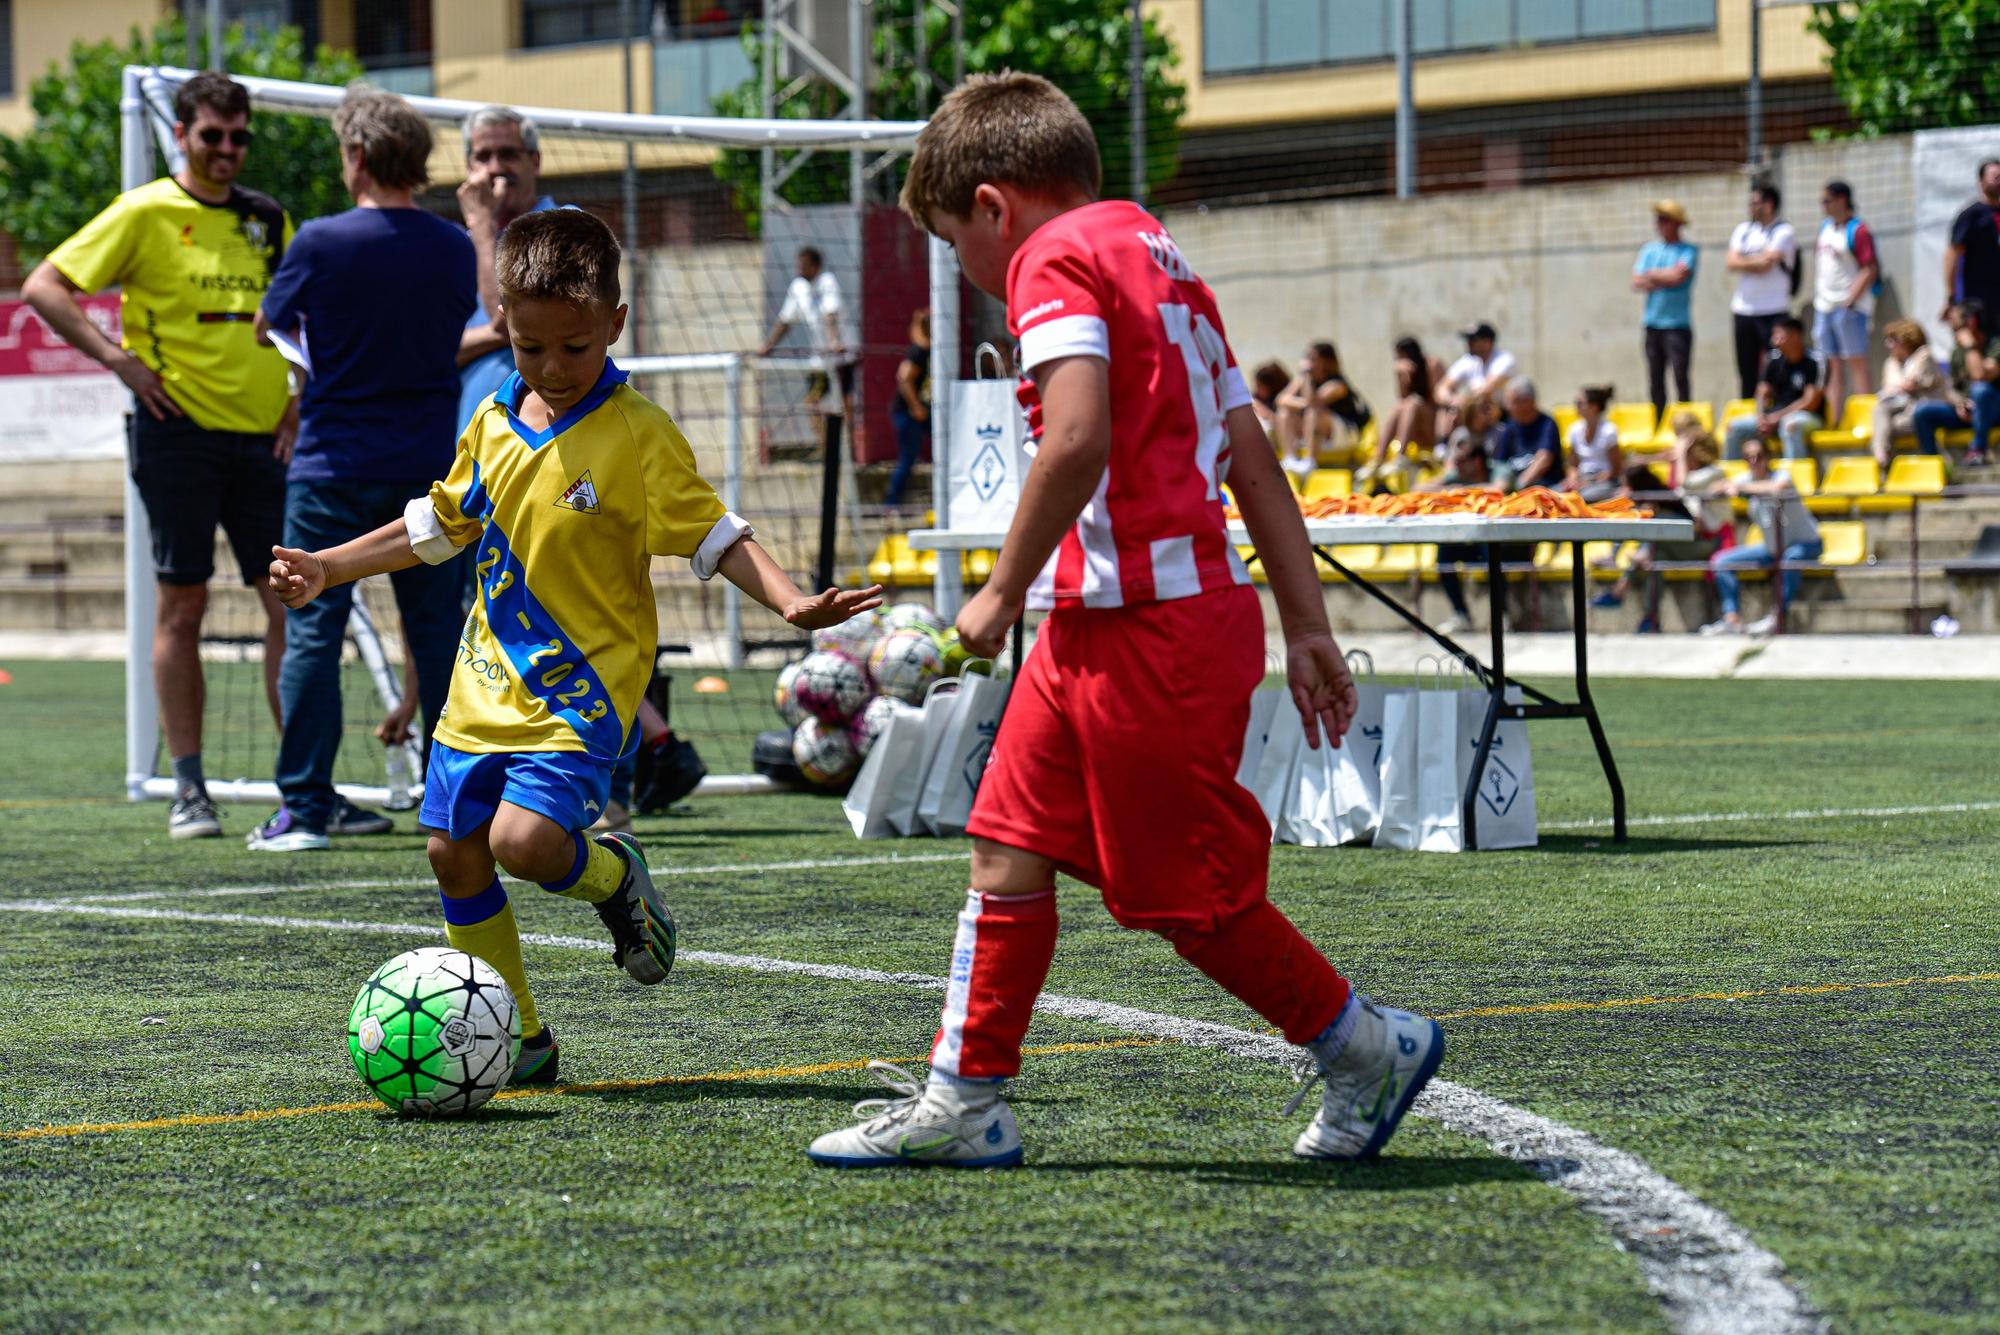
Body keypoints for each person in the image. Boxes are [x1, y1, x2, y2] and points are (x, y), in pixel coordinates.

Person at [805, 72, 1442, 1169]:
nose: (966, 272)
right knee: (1006, 845)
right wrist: (1304, 624)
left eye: (957, 244)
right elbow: (1247, 455)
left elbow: (1075, 437)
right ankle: (966, 1103)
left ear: (995, 207)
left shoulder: (1052, 258)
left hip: (1149, 629)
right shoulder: (1158, 254)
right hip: (1107, 624)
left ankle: (1362, 1046)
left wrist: (997, 590)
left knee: (1185, 898)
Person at [267, 208, 882, 1086]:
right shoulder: (489, 420)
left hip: (580, 693)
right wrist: (329, 566)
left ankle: (616, 879)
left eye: (575, 348)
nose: (551, 368)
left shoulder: (637, 434)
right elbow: (434, 527)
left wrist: (788, 600)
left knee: (523, 843)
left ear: (615, 327)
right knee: (451, 850)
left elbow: (715, 530)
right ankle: (519, 1036)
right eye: (530, 349)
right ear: (506, 333)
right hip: (480, 686)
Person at [22, 71, 294, 841]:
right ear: (182, 135)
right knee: (184, 604)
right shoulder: (144, 210)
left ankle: (299, 787)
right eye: (213, 136)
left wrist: (298, 404)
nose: (227, 151)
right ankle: (189, 787)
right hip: (176, 435)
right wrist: (120, 360)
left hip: (265, 437)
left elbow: (299, 317)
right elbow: (45, 286)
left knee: (288, 604)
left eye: (239, 137)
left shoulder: (269, 218)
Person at [242, 91, 477, 852]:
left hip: (332, 464)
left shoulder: (318, 241)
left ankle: (306, 808)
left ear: (359, 158)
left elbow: (267, 324)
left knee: (312, 629)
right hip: (426, 466)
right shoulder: (451, 246)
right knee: (439, 634)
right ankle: (459, 803)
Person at [456, 106, 561, 437]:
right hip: (471, 447)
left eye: (508, 154)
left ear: (536, 161)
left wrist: (482, 225)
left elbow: (509, 318)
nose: (496, 169)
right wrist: (497, 334)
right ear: (468, 166)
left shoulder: (563, 227)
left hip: (541, 439)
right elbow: (426, 353)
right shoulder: (459, 245)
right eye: (483, 156)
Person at [1701, 437, 1822, 637]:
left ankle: (1777, 617)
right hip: (1772, 548)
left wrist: (1740, 489)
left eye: (1759, 456)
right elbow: (1717, 487)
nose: (1754, 461)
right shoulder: (1744, 479)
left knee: (1790, 560)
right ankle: (1732, 619)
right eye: (1749, 457)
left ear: (1769, 457)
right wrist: (1724, 487)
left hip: (1806, 544)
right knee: (1721, 562)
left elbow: (1775, 488)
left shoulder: (1782, 476)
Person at [755, 245, 857, 454]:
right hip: (820, 359)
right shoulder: (797, 287)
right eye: (798, 265)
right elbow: (786, 320)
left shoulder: (827, 281)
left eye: (804, 265)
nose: (799, 269)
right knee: (812, 402)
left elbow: (831, 315)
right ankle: (826, 447)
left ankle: (849, 447)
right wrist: (768, 346)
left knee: (846, 402)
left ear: (816, 266)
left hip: (842, 356)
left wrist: (834, 342)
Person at [1813, 180, 1878, 426]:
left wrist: (1850, 299)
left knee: (1856, 362)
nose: (1824, 206)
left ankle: (1867, 419)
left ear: (1842, 200)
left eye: (1827, 200)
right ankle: (1835, 420)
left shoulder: (1858, 230)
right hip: (1824, 306)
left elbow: (1870, 268)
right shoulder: (1825, 228)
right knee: (1831, 366)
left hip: (1849, 307)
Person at [1726, 182, 1799, 400]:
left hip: (1773, 311)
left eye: (1755, 202)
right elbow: (1731, 262)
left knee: (1775, 367)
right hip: (1744, 310)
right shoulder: (1744, 230)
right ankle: (1749, 409)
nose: (1751, 207)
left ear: (1769, 204)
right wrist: (1758, 260)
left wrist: (1746, 261)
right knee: (1746, 369)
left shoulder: (1784, 231)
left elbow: (1766, 265)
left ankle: (1775, 409)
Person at [1722, 316, 1826, 461]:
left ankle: (1791, 478)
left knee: (1791, 426)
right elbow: (1762, 392)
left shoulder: (1814, 361)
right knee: (1733, 427)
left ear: (1795, 335)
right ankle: (1731, 479)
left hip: (1807, 417)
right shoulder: (1772, 359)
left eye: (1779, 335)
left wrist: (1778, 417)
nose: (1774, 340)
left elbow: (1810, 402)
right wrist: (1761, 417)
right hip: (1773, 417)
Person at [1912, 299, 2000, 467]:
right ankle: (1935, 466)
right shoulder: (1957, 351)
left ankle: (1978, 450)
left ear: (1971, 322)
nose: (1951, 328)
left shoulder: (1995, 345)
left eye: (1955, 323)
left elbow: (1980, 375)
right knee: (1922, 412)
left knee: (1981, 390)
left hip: (1993, 412)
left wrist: (1970, 347)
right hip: (1967, 413)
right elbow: (1950, 388)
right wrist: (1960, 402)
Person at [1632, 199, 1698, 422]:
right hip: (1653, 324)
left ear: (1676, 223)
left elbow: (1680, 276)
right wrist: (1665, 276)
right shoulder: (1649, 250)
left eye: (1664, 220)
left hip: (1677, 325)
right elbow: (1637, 280)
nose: (1658, 224)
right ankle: (1658, 422)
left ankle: (1685, 423)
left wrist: (1653, 275)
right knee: (1655, 379)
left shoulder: (1688, 250)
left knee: (1680, 376)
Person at [1276, 341, 1372, 479]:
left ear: (1326, 361)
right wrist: (1301, 401)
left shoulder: (1337, 383)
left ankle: (1310, 461)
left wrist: (1307, 377)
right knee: (1284, 412)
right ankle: (1290, 458)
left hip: (1344, 433)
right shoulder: (1303, 379)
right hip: (1315, 430)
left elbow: (1313, 403)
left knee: (1314, 412)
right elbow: (1281, 399)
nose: (1308, 362)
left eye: (1313, 358)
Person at [1358, 335, 1436, 489]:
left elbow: (1434, 397)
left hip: (1431, 423)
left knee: (1412, 404)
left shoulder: (1432, 365)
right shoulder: (1402, 368)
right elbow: (1403, 397)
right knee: (1400, 406)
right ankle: (1378, 458)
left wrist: (1418, 376)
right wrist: (1402, 377)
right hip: (1415, 423)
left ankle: (1401, 456)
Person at [1872, 318, 1948, 469]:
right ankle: (1882, 457)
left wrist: (1898, 385)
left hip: (1923, 408)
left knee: (1885, 424)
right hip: (1900, 408)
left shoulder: (1924, 355)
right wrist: (1900, 385)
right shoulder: (1892, 362)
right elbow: (1891, 387)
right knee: (1882, 414)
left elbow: (1909, 385)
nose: (1888, 345)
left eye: (1892, 340)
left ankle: (1882, 460)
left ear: (1906, 340)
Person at [884, 308, 932, 506]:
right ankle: (892, 504)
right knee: (907, 458)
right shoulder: (918, 351)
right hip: (908, 414)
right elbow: (904, 378)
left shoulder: (928, 349)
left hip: (921, 412)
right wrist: (915, 406)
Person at [1943, 160, 2000, 320]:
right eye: (1995, 177)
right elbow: (1952, 254)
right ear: (1981, 183)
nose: (1999, 182)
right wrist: (1951, 295)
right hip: (1976, 300)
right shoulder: (1971, 215)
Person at [1437, 321, 1517, 425]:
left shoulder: (1505, 359)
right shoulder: (1468, 361)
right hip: (1474, 413)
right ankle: (1445, 440)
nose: (1469, 343)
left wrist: (1464, 401)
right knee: (1447, 411)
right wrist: (1453, 400)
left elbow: (1487, 390)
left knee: (1486, 407)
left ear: (1488, 342)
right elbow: (1441, 389)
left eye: (1473, 340)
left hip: (1502, 416)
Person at [1492, 378, 1562, 491]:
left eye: (1512, 402)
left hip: (1543, 488)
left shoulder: (1547, 424)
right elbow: (1501, 463)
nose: (1507, 407)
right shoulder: (1508, 427)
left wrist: (1520, 485)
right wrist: (1499, 489)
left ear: (1527, 401)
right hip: (1513, 487)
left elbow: (1544, 460)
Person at [1564, 384, 1623, 502]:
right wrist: (1573, 479)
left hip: (1604, 482)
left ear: (1594, 407)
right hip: (1582, 480)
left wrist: (1591, 480)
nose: (1577, 406)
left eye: (1580, 403)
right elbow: (1573, 465)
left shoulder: (1609, 431)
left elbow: (1616, 469)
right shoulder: (1574, 430)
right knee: (1552, 495)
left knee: (1582, 498)